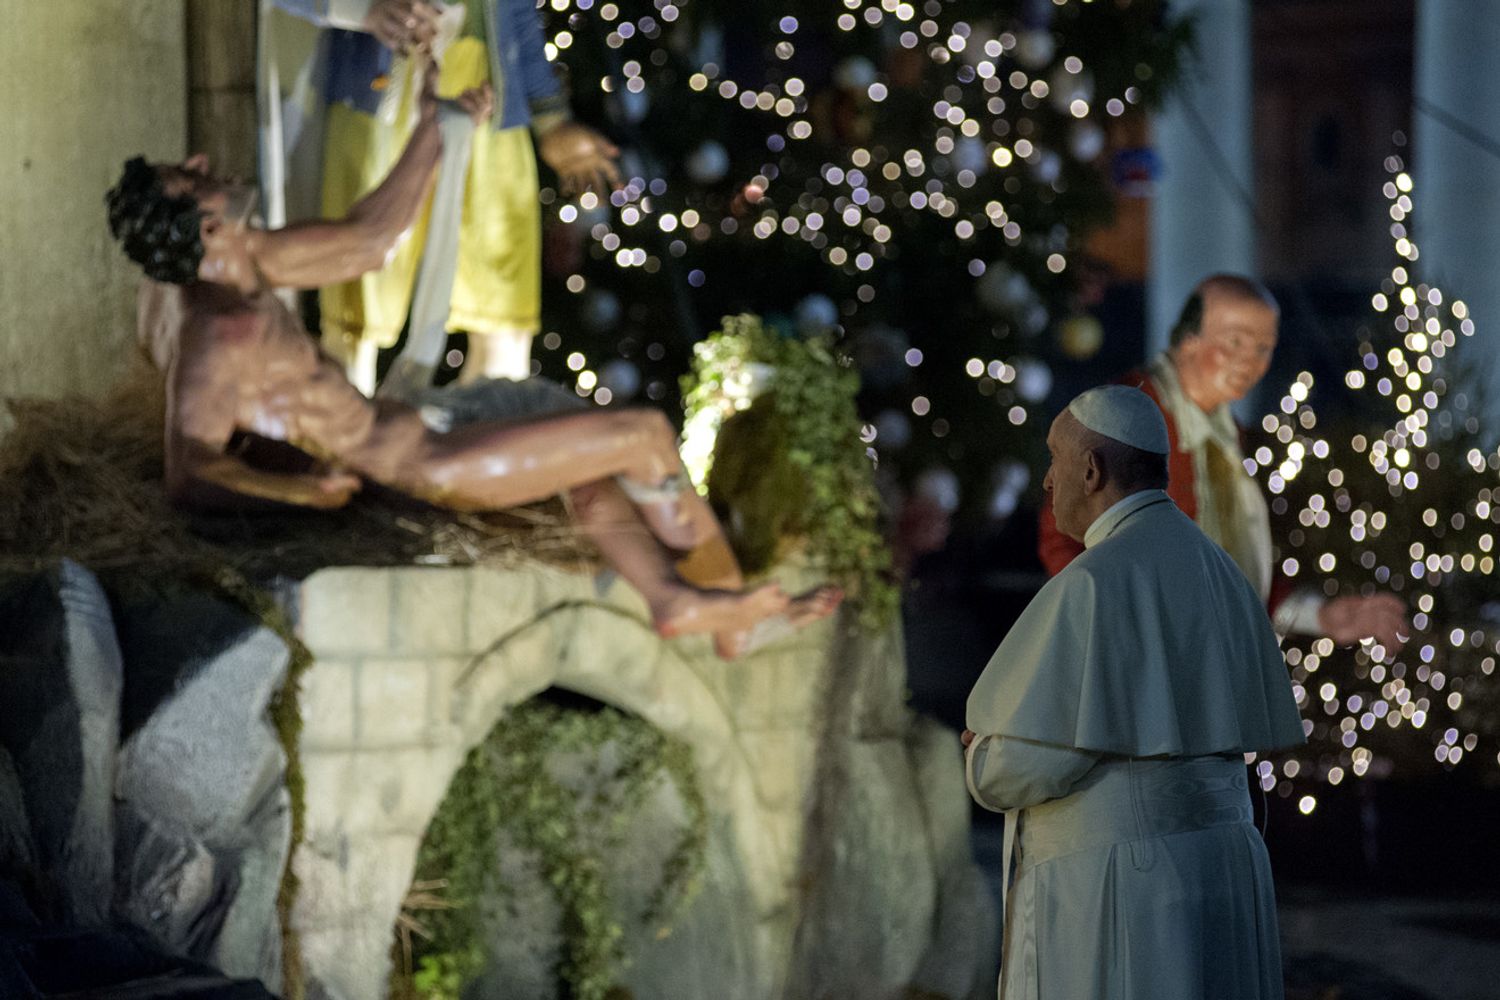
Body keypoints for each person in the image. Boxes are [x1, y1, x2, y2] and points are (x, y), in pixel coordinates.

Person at [107, 67, 838, 660]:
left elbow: (367, 240)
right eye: (188, 176)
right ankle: (731, 616)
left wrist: (436, 126)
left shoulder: (228, 265)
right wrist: (300, 496)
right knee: (643, 435)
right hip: (425, 468)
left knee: (581, 457)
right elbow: (189, 469)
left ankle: (674, 600)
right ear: (204, 225)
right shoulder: (223, 331)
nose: (203, 162)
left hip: (412, 432)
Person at [963, 385, 1306, 1000]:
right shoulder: (1221, 568)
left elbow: (1025, 767)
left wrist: (985, 750)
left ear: (1090, 470)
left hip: (1123, 885)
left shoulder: (1094, 582)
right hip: (1225, 863)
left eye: (1054, 459)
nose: (1048, 481)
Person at [259, 0, 621, 392]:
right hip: (382, 99)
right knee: (355, 310)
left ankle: (479, 445)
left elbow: (517, 14)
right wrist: (359, 9)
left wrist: (552, 122)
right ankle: (342, 443)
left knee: (501, 325)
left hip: (488, 110)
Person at [1039, 274, 1407, 652]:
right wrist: (1127, 637)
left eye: (1264, 348)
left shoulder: (1231, 439)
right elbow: (1063, 538)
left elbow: (1238, 573)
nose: (1250, 361)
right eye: (1235, 342)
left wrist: (1321, 615)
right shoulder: (1124, 417)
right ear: (1189, 338)